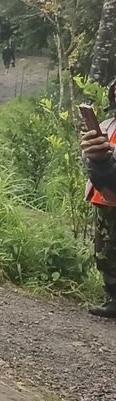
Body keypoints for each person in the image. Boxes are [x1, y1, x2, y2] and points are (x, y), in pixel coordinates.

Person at [81, 83, 116, 319]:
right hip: (104, 198)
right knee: (105, 252)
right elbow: (87, 159)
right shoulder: (107, 126)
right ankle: (114, 298)